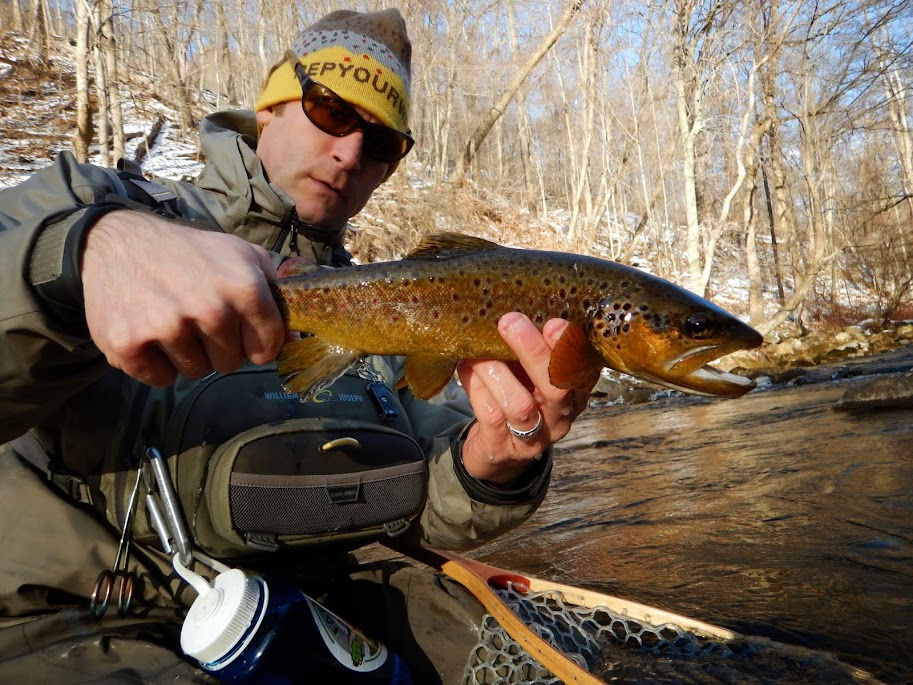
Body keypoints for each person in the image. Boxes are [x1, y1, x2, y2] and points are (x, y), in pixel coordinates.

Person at [0, 8, 593, 684]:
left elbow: (422, 508)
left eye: (380, 142)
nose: (349, 154)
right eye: (331, 112)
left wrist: (496, 463)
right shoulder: (89, 206)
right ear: (270, 108)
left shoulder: (393, 309)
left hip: (305, 619)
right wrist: (77, 257)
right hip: (76, 625)